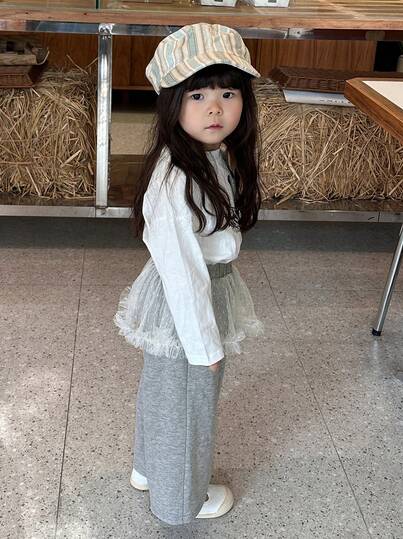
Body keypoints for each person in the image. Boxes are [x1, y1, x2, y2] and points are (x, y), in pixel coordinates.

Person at [114, 22, 264, 526]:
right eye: (197, 95)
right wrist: (205, 348)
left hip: (196, 292)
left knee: (164, 392)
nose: (215, 108)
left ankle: (147, 468)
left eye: (228, 93)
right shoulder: (177, 177)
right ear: (171, 102)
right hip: (188, 304)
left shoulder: (208, 154)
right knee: (188, 405)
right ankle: (180, 502)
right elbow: (183, 275)